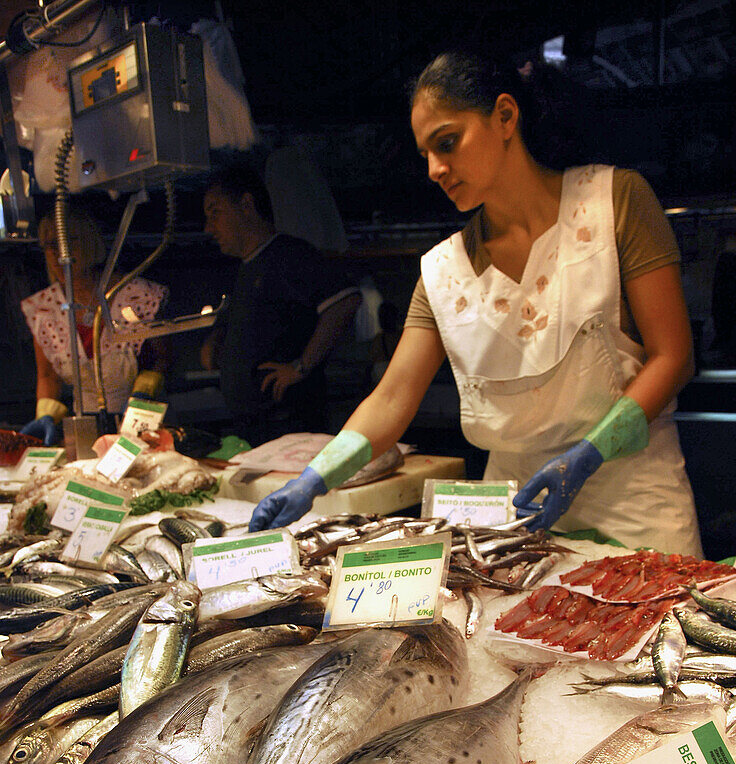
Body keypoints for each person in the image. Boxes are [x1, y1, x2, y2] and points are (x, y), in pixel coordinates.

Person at [250, 51, 702, 557]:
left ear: (505, 117)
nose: (435, 169)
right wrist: (314, 478)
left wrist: (589, 454)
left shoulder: (615, 201)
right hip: (516, 516)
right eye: (425, 154)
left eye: (447, 143)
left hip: (635, 507)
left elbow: (673, 357)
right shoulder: (443, 271)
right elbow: (392, 398)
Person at [201, 162, 362, 447]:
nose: (208, 228)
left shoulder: (289, 255)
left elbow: (345, 301)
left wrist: (301, 366)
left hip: (289, 425)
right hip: (253, 428)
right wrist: (216, 342)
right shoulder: (245, 269)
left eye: (215, 214)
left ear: (246, 205)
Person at [20, 206, 168, 445]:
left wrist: (146, 389)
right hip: (83, 430)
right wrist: (45, 414)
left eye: (67, 242)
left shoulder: (138, 296)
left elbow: (164, 358)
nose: (58, 254)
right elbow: (47, 375)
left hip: (143, 424)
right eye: (48, 245)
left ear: (89, 241)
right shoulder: (45, 309)